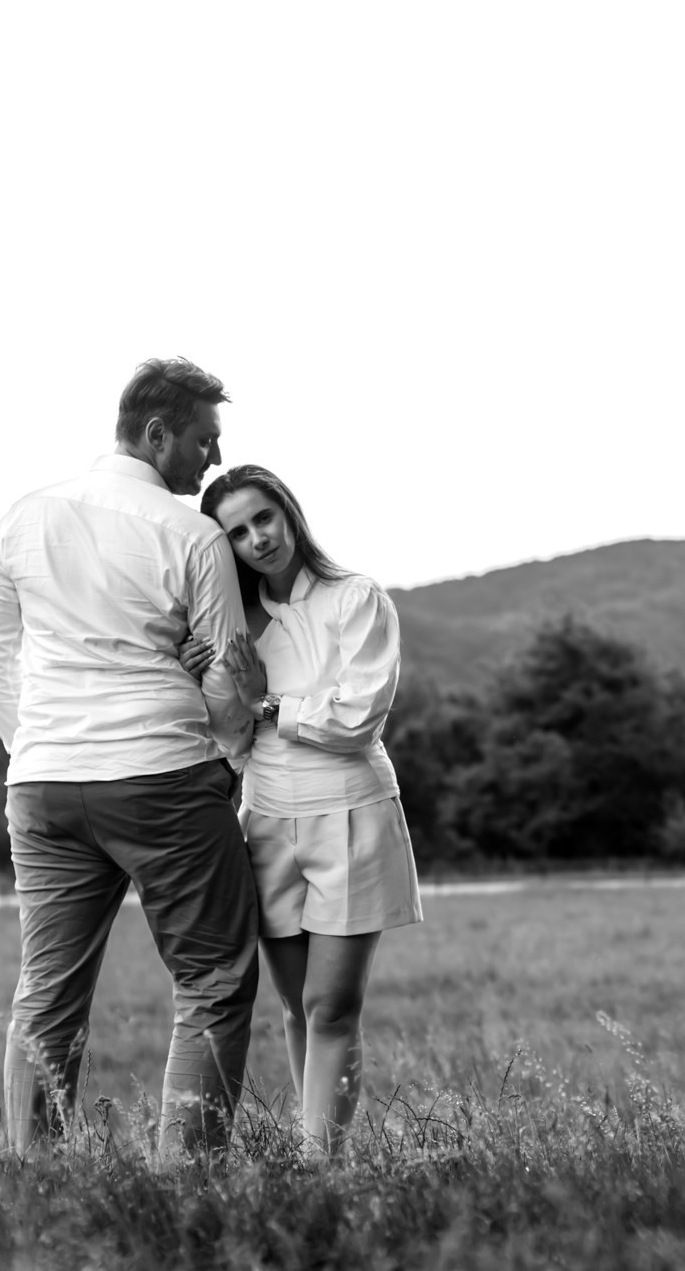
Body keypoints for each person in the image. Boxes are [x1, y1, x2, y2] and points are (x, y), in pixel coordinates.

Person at [0, 358, 260, 1161]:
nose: (212, 459)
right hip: (163, 777)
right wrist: (229, 763)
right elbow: (231, 680)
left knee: (47, 991)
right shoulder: (192, 533)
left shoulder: (23, 517)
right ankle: (184, 1182)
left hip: (44, 784)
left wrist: (39, 746)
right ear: (156, 432)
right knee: (212, 980)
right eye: (204, 440)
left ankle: (36, 1179)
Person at [192, 463, 422, 1159]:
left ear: (288, 513)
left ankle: (324, 1165)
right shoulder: (236, 627)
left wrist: (269, 705)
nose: (257, 538)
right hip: (265, 819)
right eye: (237, 531)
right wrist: (209, 683)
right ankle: (311, 1154)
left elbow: (358, 718)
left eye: (264, 518)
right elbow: (230, 742)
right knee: (295, 1007)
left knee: (331, 1006)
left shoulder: (356, 598)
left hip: (348, 812)